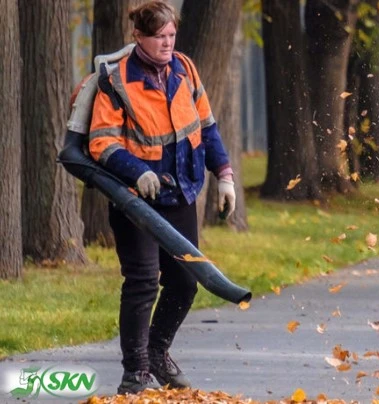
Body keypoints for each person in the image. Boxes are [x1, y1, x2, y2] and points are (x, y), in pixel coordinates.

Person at [88, 1, 236, 394]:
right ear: (139, 36)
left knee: (186, 282)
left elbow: (206, 126)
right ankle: (135, 371)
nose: (168, 43)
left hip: (181, 193)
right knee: (141, 282)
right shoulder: (116, 80)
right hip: (135, 200)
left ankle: (157, 351)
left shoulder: (185, 69)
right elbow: (101, 142)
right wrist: (140, 172)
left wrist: (224, 175)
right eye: (160, 37)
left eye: (172, 35)